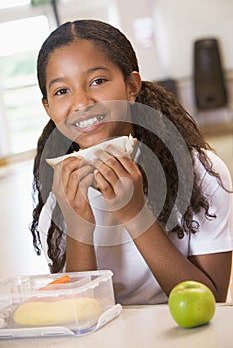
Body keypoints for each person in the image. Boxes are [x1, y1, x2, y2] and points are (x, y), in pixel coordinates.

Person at [31, 19, 233, 305]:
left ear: (131, 86)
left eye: (98, 81)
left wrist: (136, 216)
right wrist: (78, 227)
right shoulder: (58, 194)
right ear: (48, 108)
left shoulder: (201, 172)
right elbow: (78, 311)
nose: (82, 103)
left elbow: (211, 301)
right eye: (62, 91)